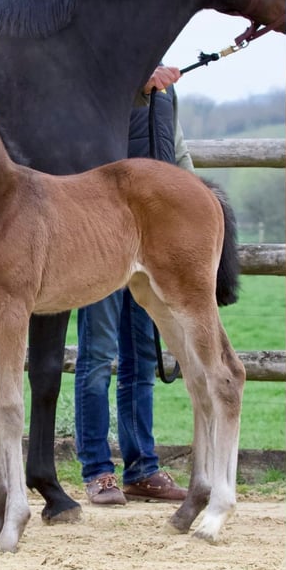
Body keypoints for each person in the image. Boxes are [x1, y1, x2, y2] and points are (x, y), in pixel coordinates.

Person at [74, 66, 194, 505]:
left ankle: (142, 469)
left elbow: (178, 160)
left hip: (152, 246)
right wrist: (130, 82)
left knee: (141, 361)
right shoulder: (102, 87)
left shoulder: (166, 97)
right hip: (102, 241)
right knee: (98, 356)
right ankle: (97, 470)